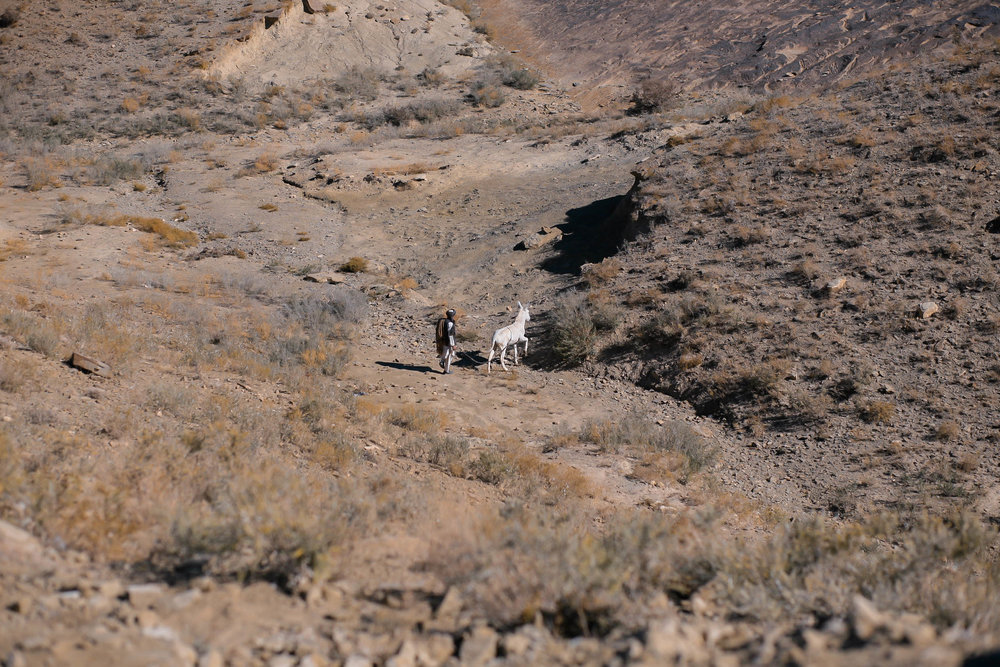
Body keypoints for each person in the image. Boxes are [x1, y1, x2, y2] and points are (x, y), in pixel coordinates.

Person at [435, 309, 458, 374]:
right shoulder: (450, 323)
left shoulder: (445, 321)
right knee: (450, 355)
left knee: (447, 354)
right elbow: (450, 335)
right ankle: (444, 365)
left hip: (445, 341)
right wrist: (453, 344)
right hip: (449, 343)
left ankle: (445, 368)